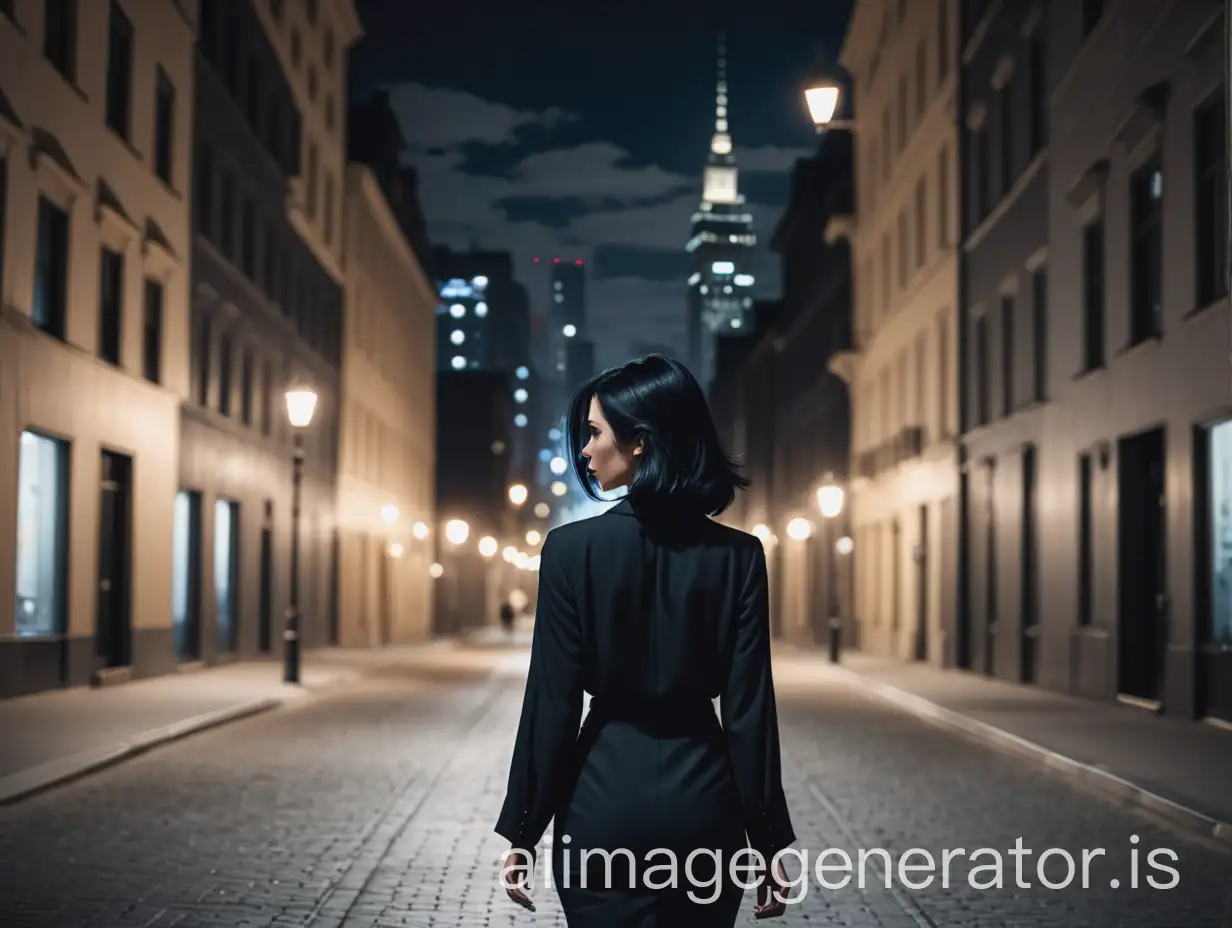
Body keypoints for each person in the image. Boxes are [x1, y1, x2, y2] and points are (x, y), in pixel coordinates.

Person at [494, 354, 795, 924]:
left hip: (601, 804)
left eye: (593, 432)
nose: (584, 450)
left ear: (639, 442)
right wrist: (770, 838)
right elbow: (750, 711)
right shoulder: (739, 557)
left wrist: (524, 829)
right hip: (705, 806)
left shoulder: (569, 551)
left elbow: (552, 702)